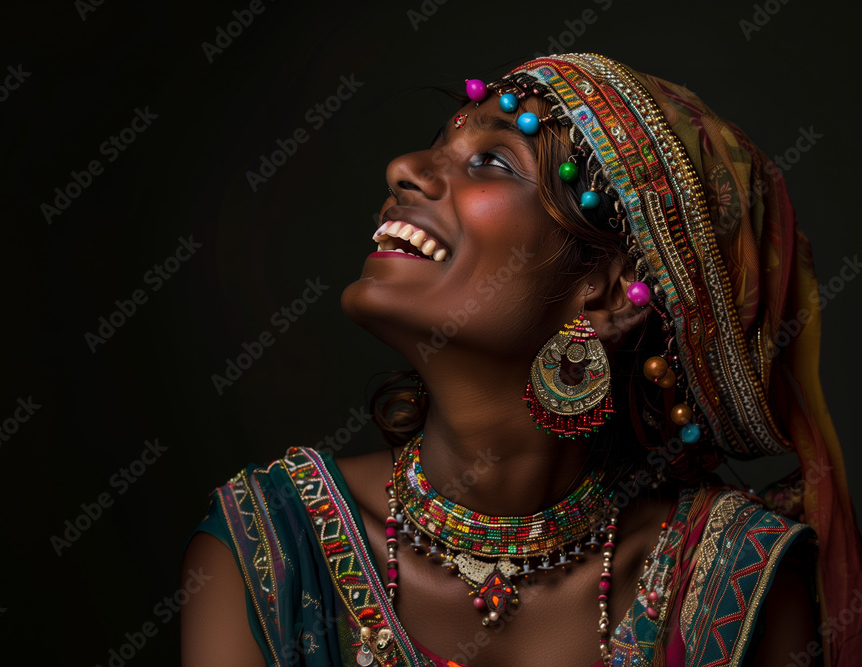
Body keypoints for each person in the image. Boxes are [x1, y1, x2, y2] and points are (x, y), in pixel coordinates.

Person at [180, 53, 862, 666]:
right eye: (440, 144)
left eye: (493, 162)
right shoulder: (268, 546)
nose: (405, 168)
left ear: (604, 293)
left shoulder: (729, 584)